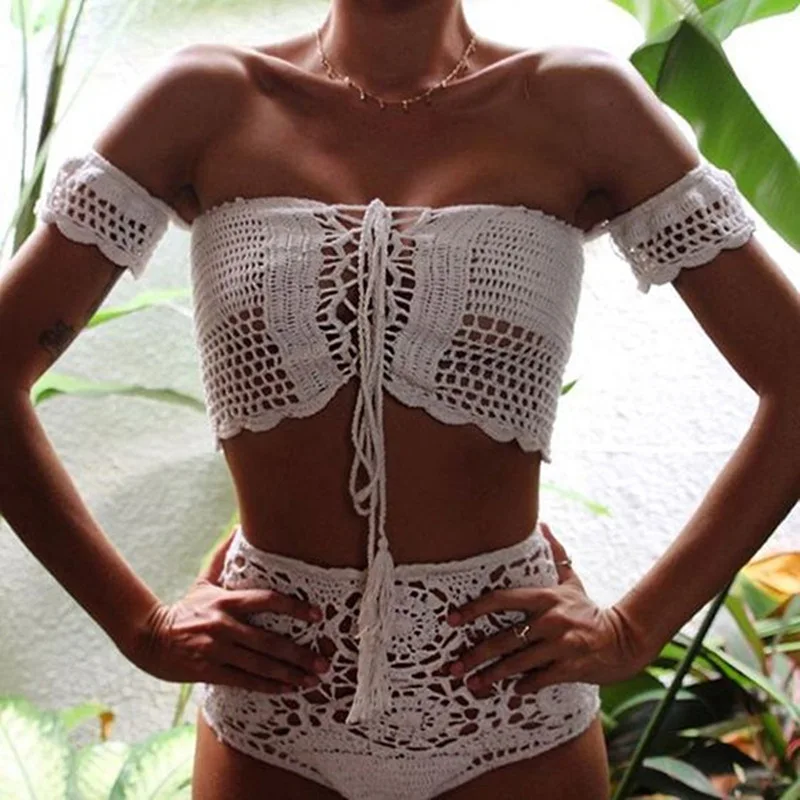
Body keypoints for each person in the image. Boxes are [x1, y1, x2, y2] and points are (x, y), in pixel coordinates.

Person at [1, 0, 798, 797]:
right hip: (272, 711)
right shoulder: (206, 99)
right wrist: (141, 629)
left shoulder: (582, 100)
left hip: (511, 712)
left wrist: (634, 631)